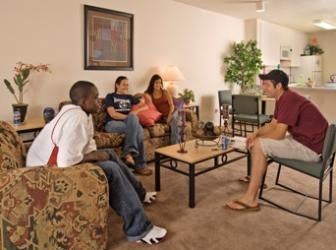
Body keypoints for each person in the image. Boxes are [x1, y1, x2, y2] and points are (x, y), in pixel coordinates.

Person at [26, 81, 167, 244]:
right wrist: (95, 157)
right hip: (45, 171)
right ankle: (139, 229)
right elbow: (65, 161)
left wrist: (97, 154)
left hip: (56, 163)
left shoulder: (83, 114)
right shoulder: (76, 117)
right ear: (83, 101)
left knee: (109, 153)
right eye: (94, 98)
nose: (98, 101)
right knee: (111, 170)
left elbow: (88, 145)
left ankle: (140, 194)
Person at [225, 70, 328, 211]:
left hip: (311, 148)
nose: (263, 88)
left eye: (266, 85)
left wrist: (258, 140)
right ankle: (256, 181)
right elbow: (273, 125)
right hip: (305, 141)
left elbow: (279, 133)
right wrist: (255, 133)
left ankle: (250, 199)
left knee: (259, 145)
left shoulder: (288, 99)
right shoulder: (284, 98)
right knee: (258, 143)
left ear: (278, 85)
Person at [105, 76, 152, 176]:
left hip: (126, 123)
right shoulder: (110, 96)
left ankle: (129, 154)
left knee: (138, 128)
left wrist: (135, 112)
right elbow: (113, 114)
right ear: (117, 85)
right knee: (137, 126)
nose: (126, 86)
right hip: (112, 124)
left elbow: (146, 105)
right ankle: (140, 165)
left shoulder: (130, 97)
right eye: (124, 84)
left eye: (127, 84)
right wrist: (130, 117)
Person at [145, 74, 180, 144]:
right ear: (152, 83)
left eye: (160, 82)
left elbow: (172, 106)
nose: (158, 84)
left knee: (174, 121)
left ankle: (175, 145)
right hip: (162, 117)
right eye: (156, 82)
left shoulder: (165, 92)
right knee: (174, 123)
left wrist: (169, 116)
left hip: (173, 112)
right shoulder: (148, 94)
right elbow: (149, 107)